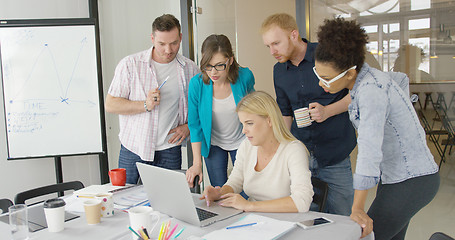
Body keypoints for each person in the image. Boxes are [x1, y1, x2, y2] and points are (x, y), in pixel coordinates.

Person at [313, 17, 439, 239]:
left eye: (326, 79)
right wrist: (408, 125)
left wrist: (357, 208)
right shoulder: (371, 77)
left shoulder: (371, 91)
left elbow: (369, 152)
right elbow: (400, 79)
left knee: (365, 234)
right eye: (318, 75)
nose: (321, 84)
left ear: (349, 73)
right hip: (397, 176)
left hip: (411, 179)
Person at [261, 13, 356, 215]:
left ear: (293, 35)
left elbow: (356, 94)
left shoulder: (326, 54)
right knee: (307, 221)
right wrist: (279, 149)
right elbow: (285, 113)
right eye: (268, 46)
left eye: (276, 43)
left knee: (342, 220)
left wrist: (327, 111)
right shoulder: (279, 71)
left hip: (335, 155)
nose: (272, 51)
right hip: (301, 156)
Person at [105, 14, 199, 184]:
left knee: (168, 204)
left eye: (174, 43)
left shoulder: (190, 68)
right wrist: (145, 105)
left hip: (170, 149)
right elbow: (110, 104)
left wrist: (188, 127)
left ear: (181, 38)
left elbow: (200, 107)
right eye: (162, 44)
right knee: (125, 201)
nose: (168, 50)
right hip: (133, 147)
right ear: (152, 38)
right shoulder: (130, 65)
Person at [201, 91, 313, 212]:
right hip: (257, 220)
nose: (244, 130)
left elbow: (302, 201)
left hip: (289, 223)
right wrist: (219, 193)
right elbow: (235, 181)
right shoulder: (246, 146)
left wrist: (249, 206)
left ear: (269, 120)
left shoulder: (294, 150)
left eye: (249, 123)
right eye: (242, 124)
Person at [185, 34, 255, 188]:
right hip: (214, 144)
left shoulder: (245, 77)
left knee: (245, 190)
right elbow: (195, 126)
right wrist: (197, 164)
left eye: (219, 65)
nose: (213, 72)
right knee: (220, 191)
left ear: (230, 60)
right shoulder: (197, 84)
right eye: (208, 66)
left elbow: (255, 111)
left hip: (242, 141)